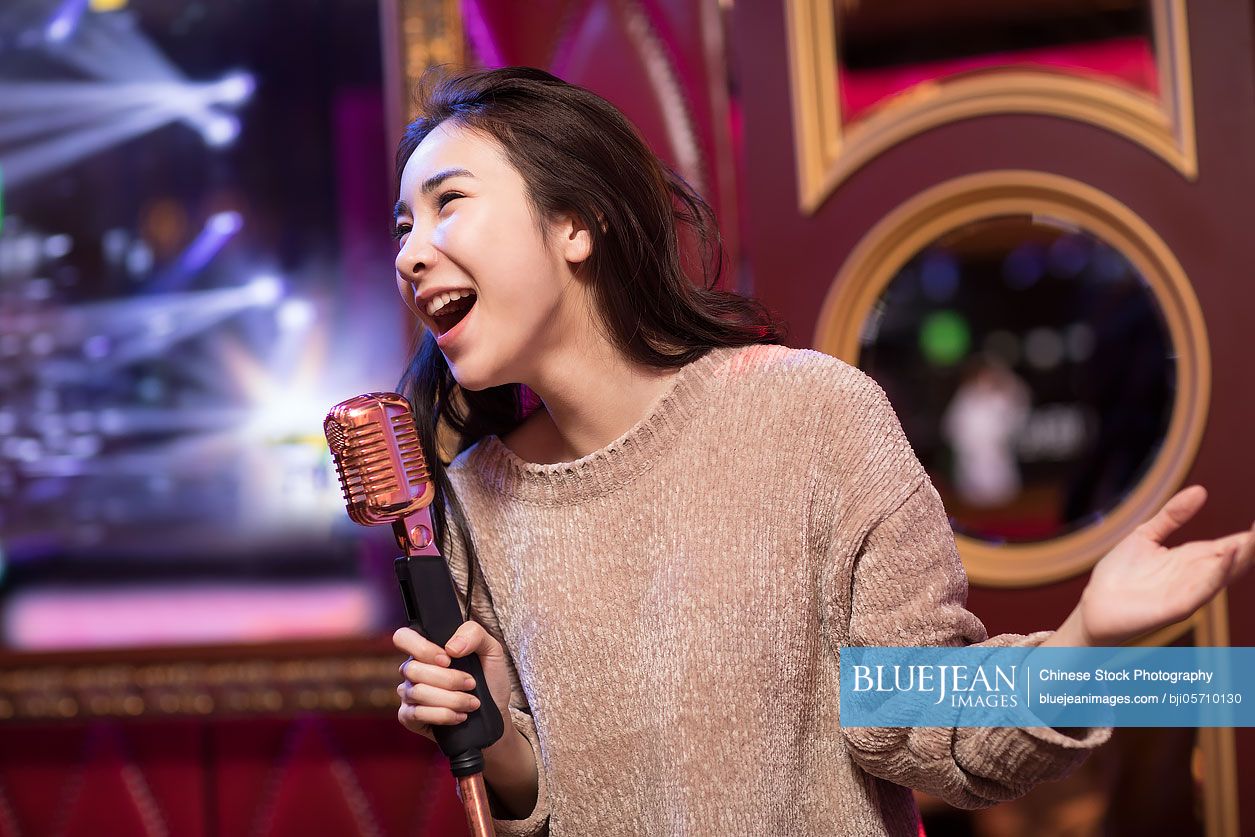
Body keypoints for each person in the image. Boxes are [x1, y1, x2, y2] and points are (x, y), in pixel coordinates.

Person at [387, 67, 1254, 836]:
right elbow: (548, 801)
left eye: (447, 202)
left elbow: (916, 718)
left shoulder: (806, 414)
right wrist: (498, 743)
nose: (410, 253)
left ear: (576, 224)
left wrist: (1088, 641)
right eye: (400, 225)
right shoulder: (469, 504)